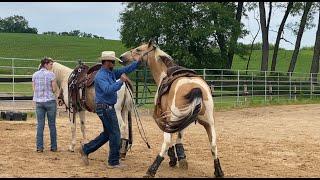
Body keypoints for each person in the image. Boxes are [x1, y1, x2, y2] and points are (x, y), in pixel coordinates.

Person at [79, 51, 141, 169]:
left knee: (108, 134)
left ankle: (86, 149)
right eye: (112, 61)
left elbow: (126, 70)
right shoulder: (101, 76)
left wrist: (138, 62)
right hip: (105, 108)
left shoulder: (111, 72)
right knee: (115, 134)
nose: (114, 63)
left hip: (106, 108)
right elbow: (107, 89)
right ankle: (113, 161)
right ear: (106, 62)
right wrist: (121, 82)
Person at [32, 57, 58, 153]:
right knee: (52, 125)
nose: (52, 66)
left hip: (39, 102)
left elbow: (34, 89)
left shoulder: (34, 75)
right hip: (50, 101)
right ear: (45, 64)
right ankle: (54, 147)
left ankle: (39, 147)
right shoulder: (51, 75)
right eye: (51, 64)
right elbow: (54, 89)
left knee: (40, 125)